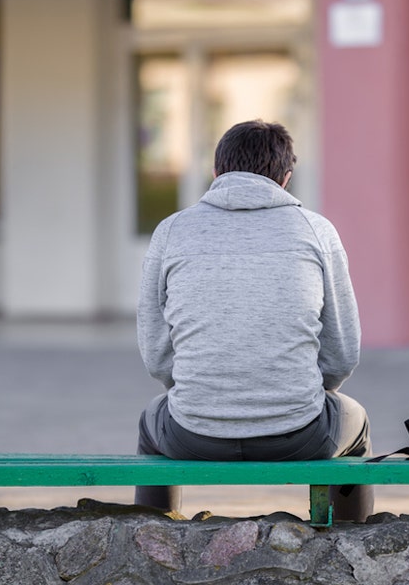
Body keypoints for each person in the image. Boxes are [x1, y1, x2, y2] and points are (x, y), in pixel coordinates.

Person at [135, 119, 373, 521]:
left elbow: (157, 356)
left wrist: (205, 393)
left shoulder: (172, 231)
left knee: (150, 422)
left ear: (216, 173)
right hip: (300, 434)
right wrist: (304, 393)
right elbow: (343, 354)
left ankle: (156, 542)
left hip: (193, 435)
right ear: (285, 178)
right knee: (358, 422)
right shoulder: (316, 231)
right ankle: (352, 545)